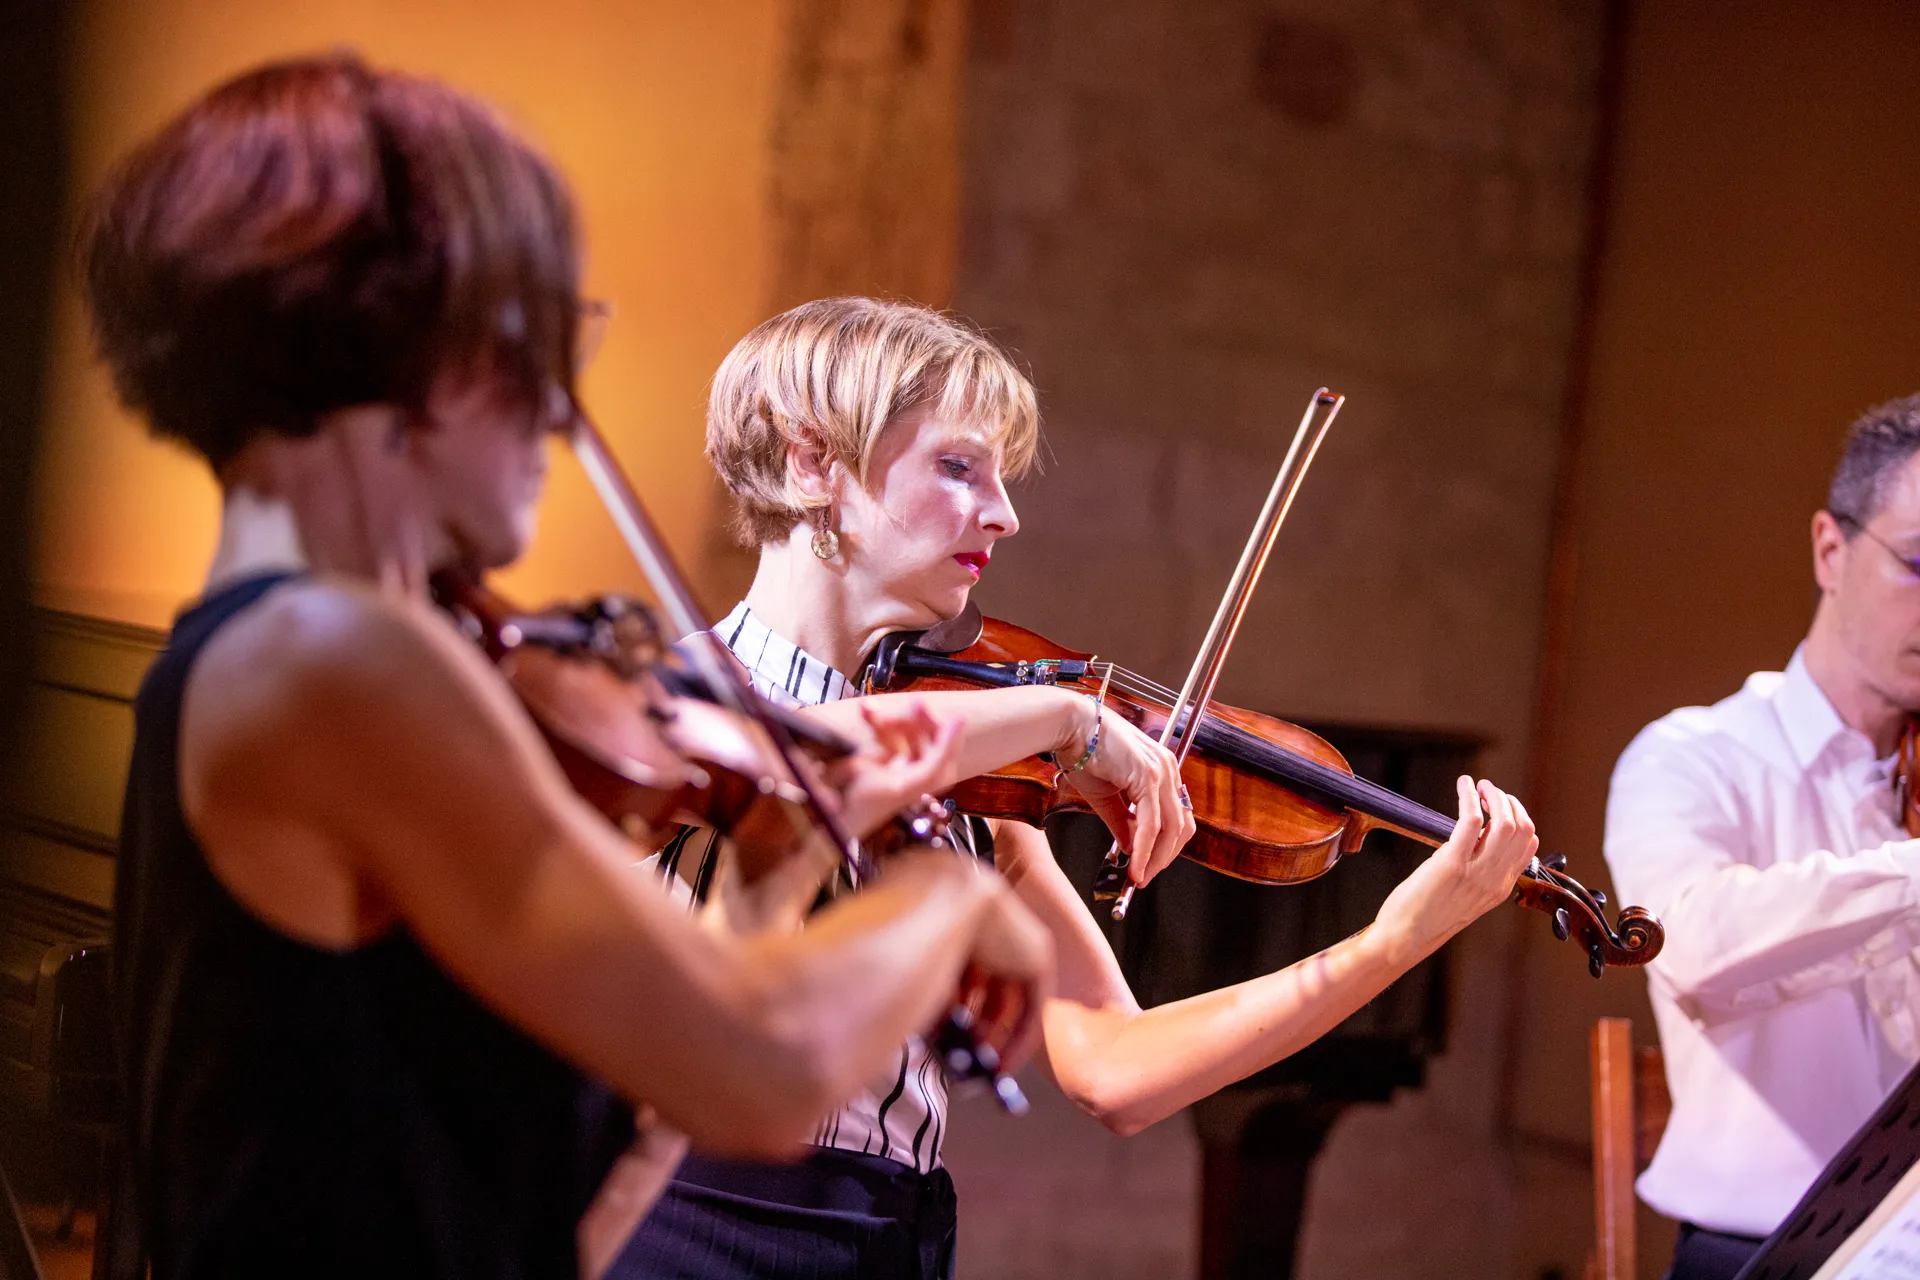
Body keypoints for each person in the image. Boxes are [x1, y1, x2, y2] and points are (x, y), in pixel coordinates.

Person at [85, 56, 1055, 1280]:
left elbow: (568, 1198)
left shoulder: (277, 646)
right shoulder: (336, 659)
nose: (557, 410)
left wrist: (770, 868)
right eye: (538, 337)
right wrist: (954, 901)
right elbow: (760, 1071)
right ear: (417, 337)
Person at [612, 296, 1543, 1278]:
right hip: (694, 1225)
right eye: (959, 467)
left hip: (895, 1235)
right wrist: (1067, 717)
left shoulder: (973, 764)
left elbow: (1116, 1069)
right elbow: (802, 761)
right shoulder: (661, 697)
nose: (1004, 513)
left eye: (1000, 477)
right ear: (812, 464)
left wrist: (1393, 940)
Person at [1605, 393, 1920, 1280]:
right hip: (1756, 1258)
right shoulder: (1690, 759)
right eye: (1919, 562)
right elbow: (1693, 945)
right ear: (1831, 547)